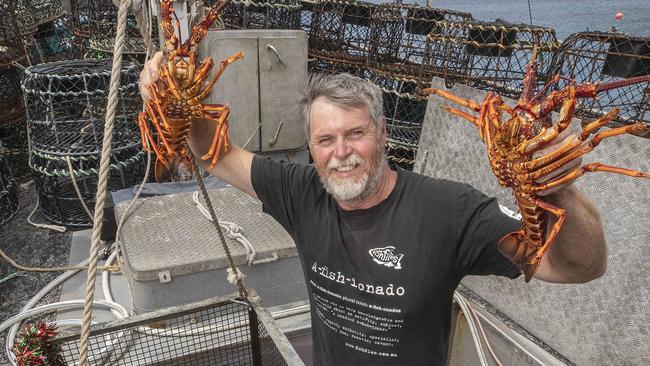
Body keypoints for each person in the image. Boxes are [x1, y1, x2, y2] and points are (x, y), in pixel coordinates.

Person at [139, 55, 607, 365]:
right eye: (325, 139)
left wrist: (560, 190)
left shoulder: (450, 210)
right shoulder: (302, 192)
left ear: (382, 134)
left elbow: (576, 267)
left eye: (355, 134)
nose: (340, 152)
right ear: (311, 147)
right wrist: (167, 99)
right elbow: (216, 154)